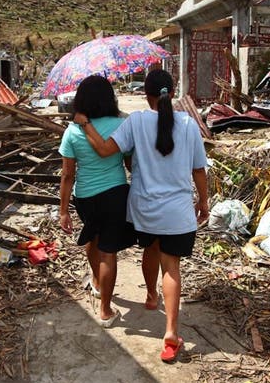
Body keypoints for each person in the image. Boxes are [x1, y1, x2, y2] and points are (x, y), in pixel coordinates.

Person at [74, 69, 210, 362]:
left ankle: (151, 297)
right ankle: (171, 331)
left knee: (151, 248)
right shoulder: (188, 124)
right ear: (171, 93)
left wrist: (85, 124)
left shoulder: (135, 121)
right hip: (178, 212)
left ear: (145, 95)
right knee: (171, 266)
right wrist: (204, 203)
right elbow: (199, 170)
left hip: (145, 210)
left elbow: (104, 150)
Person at [58, 75, 135, 328]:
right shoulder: (122, 125)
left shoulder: (72, 130)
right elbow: (129, 162)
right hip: (115, 194)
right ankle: (105, 309)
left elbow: (68, 175)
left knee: (92, 237)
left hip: (85, 197)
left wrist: (63, 211)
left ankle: (98, 284)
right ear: (108, 98)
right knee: (108, 251)